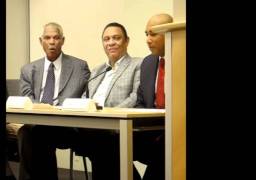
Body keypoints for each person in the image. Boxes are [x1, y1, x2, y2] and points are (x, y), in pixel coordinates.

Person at [17, 22, 90, 180]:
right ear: (40, 41)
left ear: (63, 40)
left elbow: (86, 96)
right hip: (38, 123)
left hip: (67, 126)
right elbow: (27, 99)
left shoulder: (79, 66)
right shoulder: (28, 69)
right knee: (29, 132)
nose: (52, 42)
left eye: (56, 38)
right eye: (47, 37)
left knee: (35, 133)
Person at [78, 22, 142, 180]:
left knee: (101, 144)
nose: (111, 42)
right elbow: (86, 97)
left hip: (117, 126)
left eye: (116, 38)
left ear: (126, 41)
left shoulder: (137, 64)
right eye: (106, 39)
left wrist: (108, 115)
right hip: (90, 125)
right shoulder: (98, 70)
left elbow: (135, 97)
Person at [134, 13, 174, 180]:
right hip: (151, 129)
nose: (148, 40)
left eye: (153, 33)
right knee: (107, 145)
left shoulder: (182, 60)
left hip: (175, 131)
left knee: (164, 148)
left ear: (171, 33)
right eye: (146, 34)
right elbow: (141, 102)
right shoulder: (148, 62)